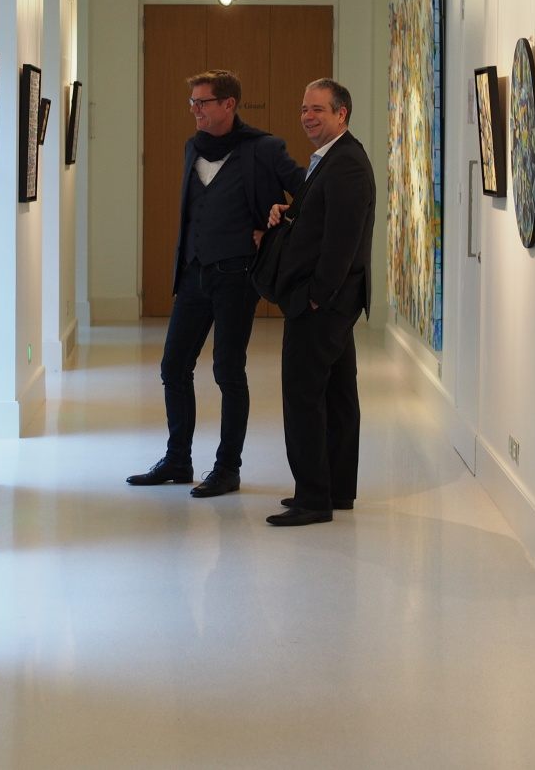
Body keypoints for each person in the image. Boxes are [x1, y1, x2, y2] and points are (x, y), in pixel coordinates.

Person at [127, 69, 304, 497]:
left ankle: (227, 468)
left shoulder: (263, 148)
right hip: (193, 273)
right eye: (192, 102)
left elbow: (308, 191)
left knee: (227, 370)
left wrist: (277, 224)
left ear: (229, 104)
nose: (194, 110)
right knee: (173, 366)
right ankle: (177, 459)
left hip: (236, 276)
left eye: (202, 102)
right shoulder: (193, 147)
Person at [264, 79, 376, 527]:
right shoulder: (332, 158)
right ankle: (337, 490)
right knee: (338, 394)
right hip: (334, 302)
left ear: (341, 113)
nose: (307, 117)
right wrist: (286, 212)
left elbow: (341, 243)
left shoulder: (346, 163)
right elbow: (320, 219)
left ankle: (313, 498)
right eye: (303, 109)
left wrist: (314, 298)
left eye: (318, 110)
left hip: (324, 304)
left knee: (303, 396)